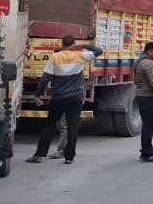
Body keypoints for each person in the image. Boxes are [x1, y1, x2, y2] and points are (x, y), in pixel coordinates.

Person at [28, 35, 102, 164]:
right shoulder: (80, 55)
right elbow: (98, 51)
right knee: (73, 126)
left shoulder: (55, 57)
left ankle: (39, 155)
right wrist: (84, 46)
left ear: (62, 44)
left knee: (49, 125)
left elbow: (46, 78)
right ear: (73, 44)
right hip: (76, 97)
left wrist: (38, 95)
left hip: (59, 97)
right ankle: (69, 157)